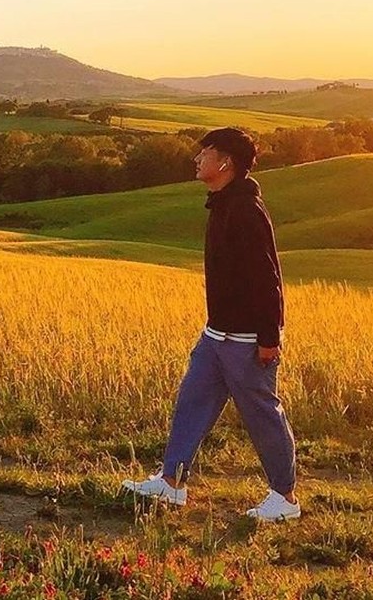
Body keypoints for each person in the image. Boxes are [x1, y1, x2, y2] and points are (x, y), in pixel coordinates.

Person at [121, 127, 299, 522]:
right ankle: (172, 484)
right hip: (215, 336)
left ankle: (284, 498)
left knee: (263, 415)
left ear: (226, 163)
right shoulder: (222, 204)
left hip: (247, 342)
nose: (197, 160)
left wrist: (269, 338)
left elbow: (268, 279)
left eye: (206, 154)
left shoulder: (247, 212)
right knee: (191, 404)